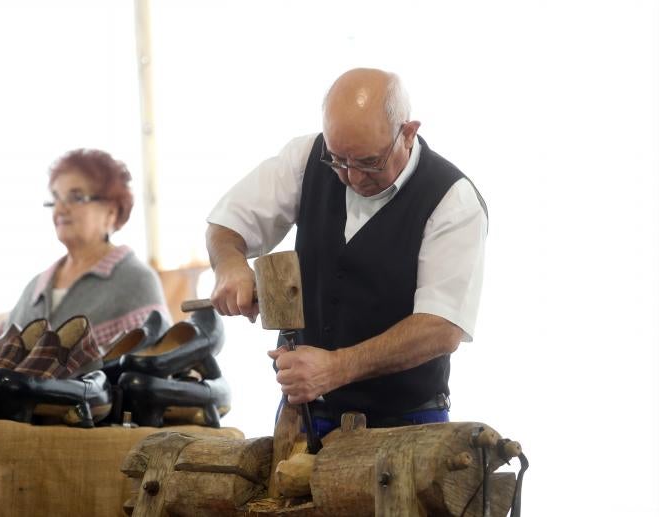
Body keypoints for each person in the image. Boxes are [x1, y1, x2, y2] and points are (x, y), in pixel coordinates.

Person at [206, 68, 488, 434]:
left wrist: (337, 368)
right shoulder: (306, 157)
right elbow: (227, 224)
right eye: (338, 160)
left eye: (369, 163)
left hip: (406, 422)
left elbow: (441, 327)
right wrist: (229, 265)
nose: (352, 177)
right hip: (306, 415)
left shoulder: (452, 201)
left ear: (408, 133)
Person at [0, 149, 170, 348]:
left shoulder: (136, 280)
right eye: (56, 199)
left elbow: (159, 359)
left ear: (111, 212)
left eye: (76, 198)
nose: (60, 209)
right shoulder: (35, 288)